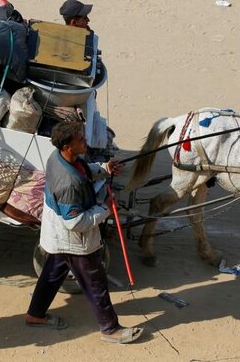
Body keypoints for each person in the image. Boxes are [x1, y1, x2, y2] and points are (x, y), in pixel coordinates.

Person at [24, 121, 144, 344]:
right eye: (81, 139)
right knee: (96, 284)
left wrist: (105, 169)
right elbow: (77, 222)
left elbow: (84, 169)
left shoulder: (59, 156)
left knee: (51, 275)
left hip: (58, 235)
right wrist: (106, 207)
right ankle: (110, 329)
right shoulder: (68, 183)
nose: (85, 141)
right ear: (68, 146)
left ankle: (35, 314)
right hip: (74, 240)